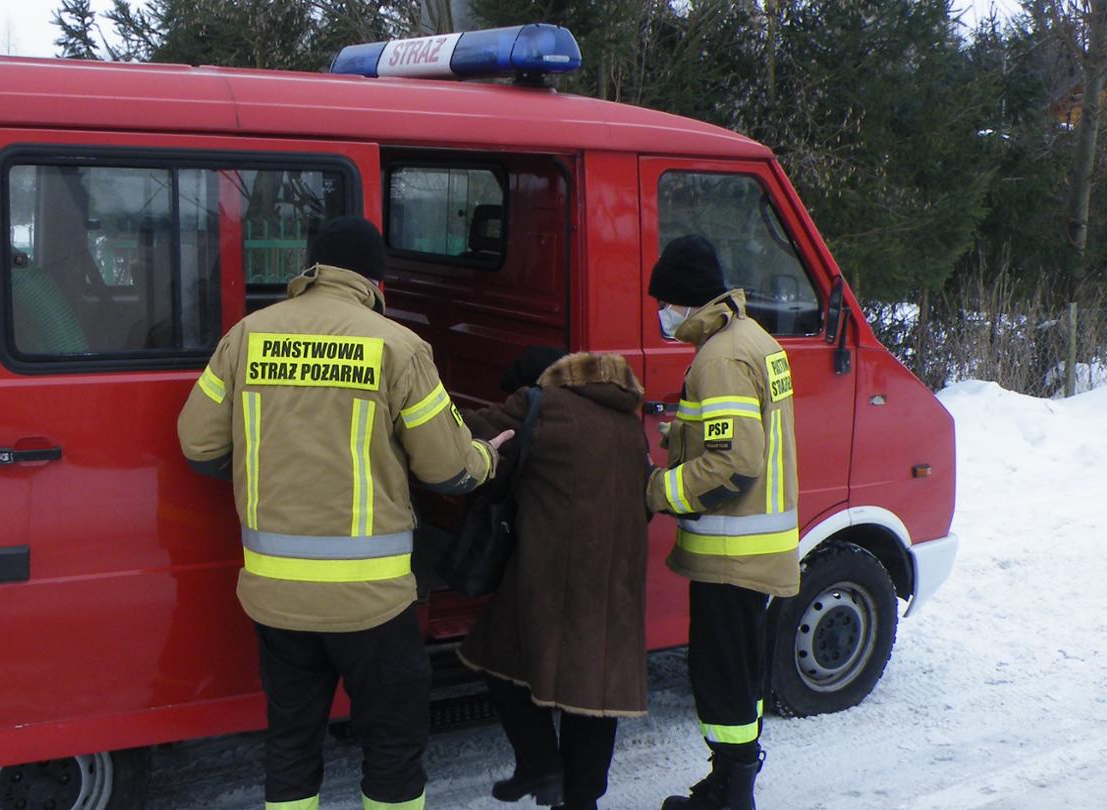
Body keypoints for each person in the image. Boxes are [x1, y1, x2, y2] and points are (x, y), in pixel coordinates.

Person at [177, 216, 511, 810]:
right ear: (375, 280)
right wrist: (487, 458)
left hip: (275, 596)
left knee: (290, 744)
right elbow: (446, 469)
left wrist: (263, 463)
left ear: (308, 270)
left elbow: (197, 444)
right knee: (392, 744)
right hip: (372, 603)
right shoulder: (398, 346)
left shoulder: (247, 336)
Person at [458, 348, 653, 810]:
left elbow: (462, 431)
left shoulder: (538, 405)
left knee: (499, 660)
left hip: (551, 573)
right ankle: (579, 798)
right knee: (595, 691)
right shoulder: (629, 419)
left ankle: (540, 764)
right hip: (617, 578)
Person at [644, 236, 801, 810]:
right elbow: (740, 436)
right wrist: (682, 437)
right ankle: (731, 780)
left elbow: (735, 463)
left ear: (686, 299)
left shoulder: (718, 359)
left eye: (665, 301)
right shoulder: (753, 340)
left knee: (722, 675)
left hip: (732, 553)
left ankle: (731, 794)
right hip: (757, 547)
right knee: (740, 669)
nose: (662, 312)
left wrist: (660, 489)